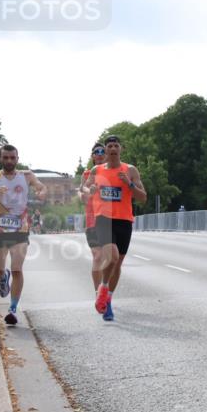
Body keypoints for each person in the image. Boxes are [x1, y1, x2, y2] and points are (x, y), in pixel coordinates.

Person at [0, 144, 48, 325]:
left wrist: (41, 193)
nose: (9, 161)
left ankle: (13, 309)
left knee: (17, 269)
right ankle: (3, 276)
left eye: (12, 158)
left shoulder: (27, 175)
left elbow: (41, 187)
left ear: (17, 158)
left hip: (20, 229)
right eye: (5, 157)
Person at [83, 135, 147, 322]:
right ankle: (103, 288)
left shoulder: (130, 170)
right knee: (111, 254)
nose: (112, 149)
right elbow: (85, 189)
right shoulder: (97, 170)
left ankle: (108, 297)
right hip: (103, 219)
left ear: (121, 149)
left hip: (124, 220)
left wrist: (129, 184)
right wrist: (90, 191)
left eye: (115, 146)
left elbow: (143, 197)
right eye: (109, 146)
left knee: (117, 263)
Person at [79, 142, 106, 292]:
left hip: (111, 221)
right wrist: (89, 192)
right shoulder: (87, 175)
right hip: (92, 221)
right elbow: (82, 197)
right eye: (97, 151)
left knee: (110, 259)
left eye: (103, 151)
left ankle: (107, 288)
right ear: (93, 156)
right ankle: (99, 293)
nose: (100, 153)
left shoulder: (115, 172)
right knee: (97, 257)